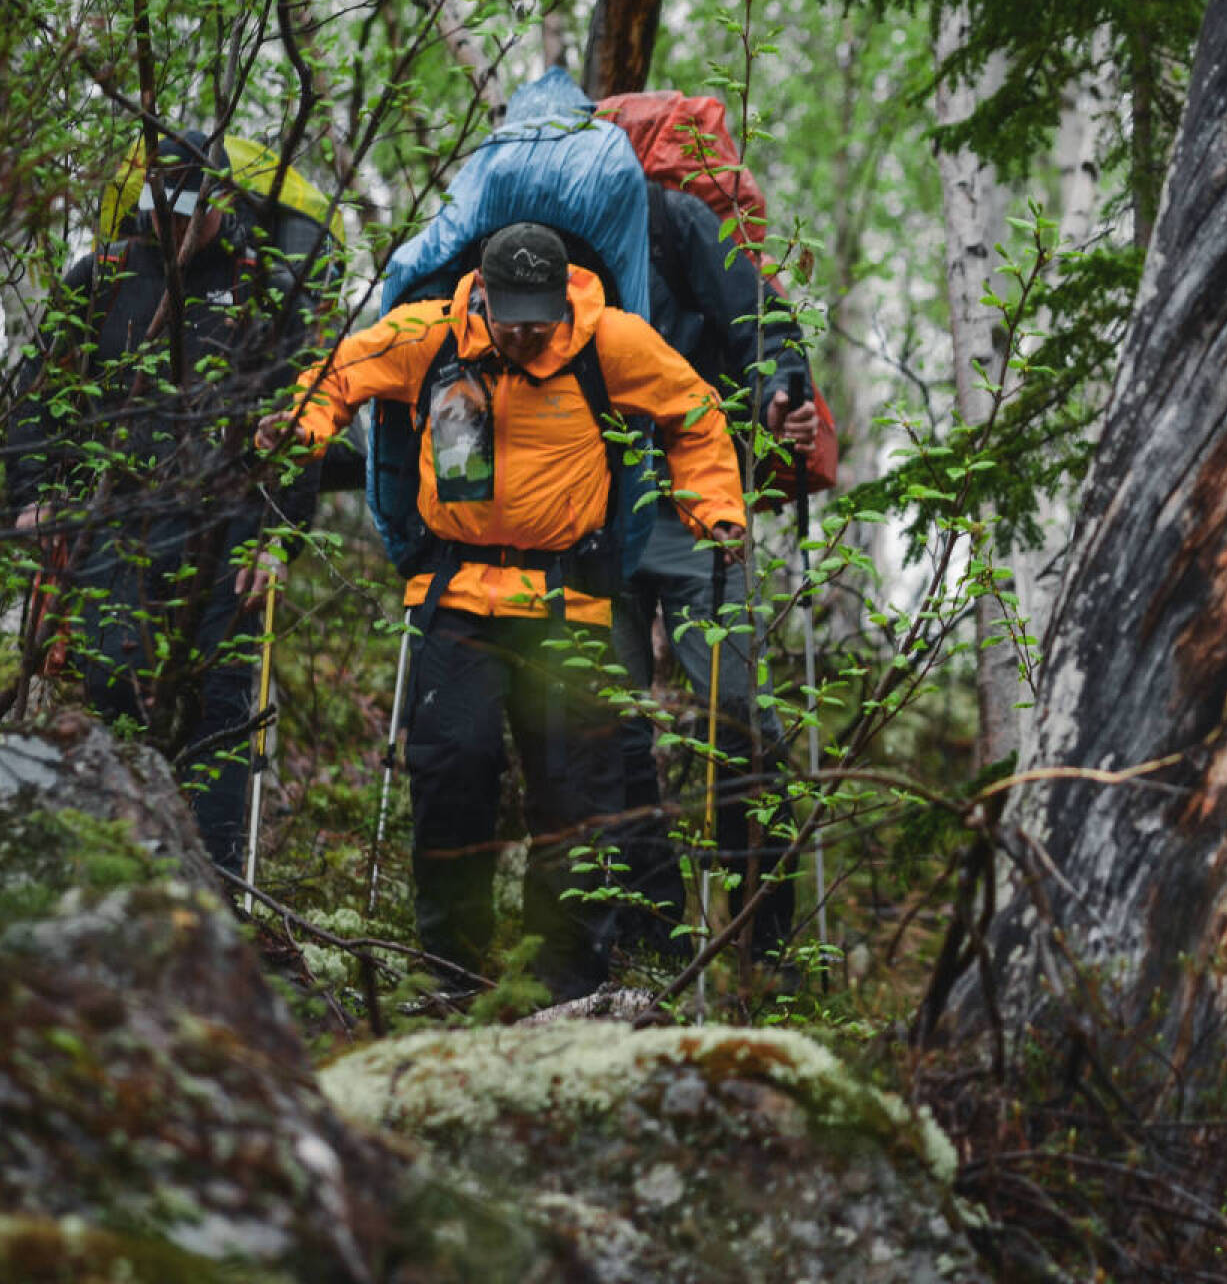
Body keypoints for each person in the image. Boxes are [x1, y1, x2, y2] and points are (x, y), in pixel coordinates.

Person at [257, 221, 746, 1001]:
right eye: (509, 312)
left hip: (568, 605)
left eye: (538, 314)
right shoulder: (431, 334)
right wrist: (304, 425)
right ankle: (452, 971)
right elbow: (341, 373)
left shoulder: (609, 341)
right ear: (481, 292)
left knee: (572, 793)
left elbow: (693, 410)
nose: (523, 331)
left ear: (562, 297)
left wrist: (715, 506)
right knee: (452, 769)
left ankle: (563, 982)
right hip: (454, 599)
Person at [6, 128, 319, 875]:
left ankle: (211, 887)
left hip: (229, 527)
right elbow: (39, 394)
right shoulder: (104, 276)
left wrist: (279, 537)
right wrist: (33, 495)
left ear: (218, 203)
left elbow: (301, 419)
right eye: (159, 206)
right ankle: (113, 869)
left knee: (221, 704)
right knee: (110, 680)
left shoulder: (265, 289)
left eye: (186, 210)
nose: (170, 224)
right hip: (117, 518)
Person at [610, 182, 820, 971]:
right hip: (588, 511)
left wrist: (778, 391)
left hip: (696, 506)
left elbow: (760, 318)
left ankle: (765, 945)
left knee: (736, 716)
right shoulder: (548, 228)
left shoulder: (674, 220)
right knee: (611, 725)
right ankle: (646, 933)